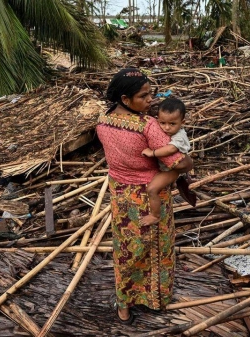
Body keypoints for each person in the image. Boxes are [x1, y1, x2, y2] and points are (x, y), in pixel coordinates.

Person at [96, 68, 193, 325]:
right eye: (144, 95)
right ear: (126, 100)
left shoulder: (102, 121)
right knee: (157, 248)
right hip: (150, 195)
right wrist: (189, 162)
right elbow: (178, 163)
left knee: (126, 250)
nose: (151, 100)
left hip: (119, 195)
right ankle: (155, 299)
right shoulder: (147, 126)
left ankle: (124, 304)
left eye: (151, 93)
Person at [140, 97, 195, 225]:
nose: (166, 128)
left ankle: (155, 215)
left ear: (182, 122)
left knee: (152, 189)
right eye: (162, 123)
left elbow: (170, 149)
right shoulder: (165, 130)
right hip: (166, 168)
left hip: (171, 170)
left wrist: (152, 153)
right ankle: (173, 184)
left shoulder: (179, 136)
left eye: (172, 124)